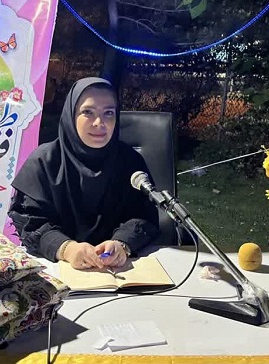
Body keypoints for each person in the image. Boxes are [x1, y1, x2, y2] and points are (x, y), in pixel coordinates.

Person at [9, 77, 159, 270]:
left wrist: (123, 243)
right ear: (71, 115)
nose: (99, 123)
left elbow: (145, 215)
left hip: (119, 269)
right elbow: (29, 222)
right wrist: (66, 248)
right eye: (88, 112)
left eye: (109, 113)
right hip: (58, 270)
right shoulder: (43, 161)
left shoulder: (130, 161)